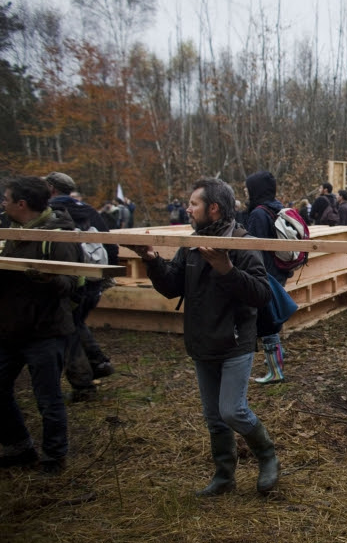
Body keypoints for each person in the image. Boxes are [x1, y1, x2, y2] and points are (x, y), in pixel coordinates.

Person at [127, 178, 279, 496]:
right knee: (214, 417)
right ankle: (224, 476)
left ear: (213, 208)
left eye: (193, 204)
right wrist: (152, 259)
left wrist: (227, 269)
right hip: (201, 341)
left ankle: (268, 457)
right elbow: (172, 286)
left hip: (234, 341)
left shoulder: (242, 243)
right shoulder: (193, 243)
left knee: (231, 410)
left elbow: (262, 294)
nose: (188, 208)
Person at [0, 176, 82, 474]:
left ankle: (53, 456)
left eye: (6, 199)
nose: (3, 204)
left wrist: (44, 277)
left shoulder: (58, 236)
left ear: (22, 204)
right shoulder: (11, 232)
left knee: (48, 398)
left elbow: (73, 283)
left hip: (45, 331)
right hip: (9, 330)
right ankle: (18, 445)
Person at [46, 172, 118, 399]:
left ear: (51, 188)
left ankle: (83, 384)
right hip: (92, 284)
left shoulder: (50, 214)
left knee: (67, 329)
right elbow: (111, 247)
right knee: (76, 323)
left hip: (67, 283)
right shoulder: (89, 211)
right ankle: (98, 362)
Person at [245, 171, 290, 384]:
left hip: (265, 273)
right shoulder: (277, 208)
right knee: (273, 317)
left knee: (267, 320)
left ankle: (275, 371)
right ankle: (278, 357)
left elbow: (253, 248)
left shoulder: (258, 214)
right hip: (279, 269)